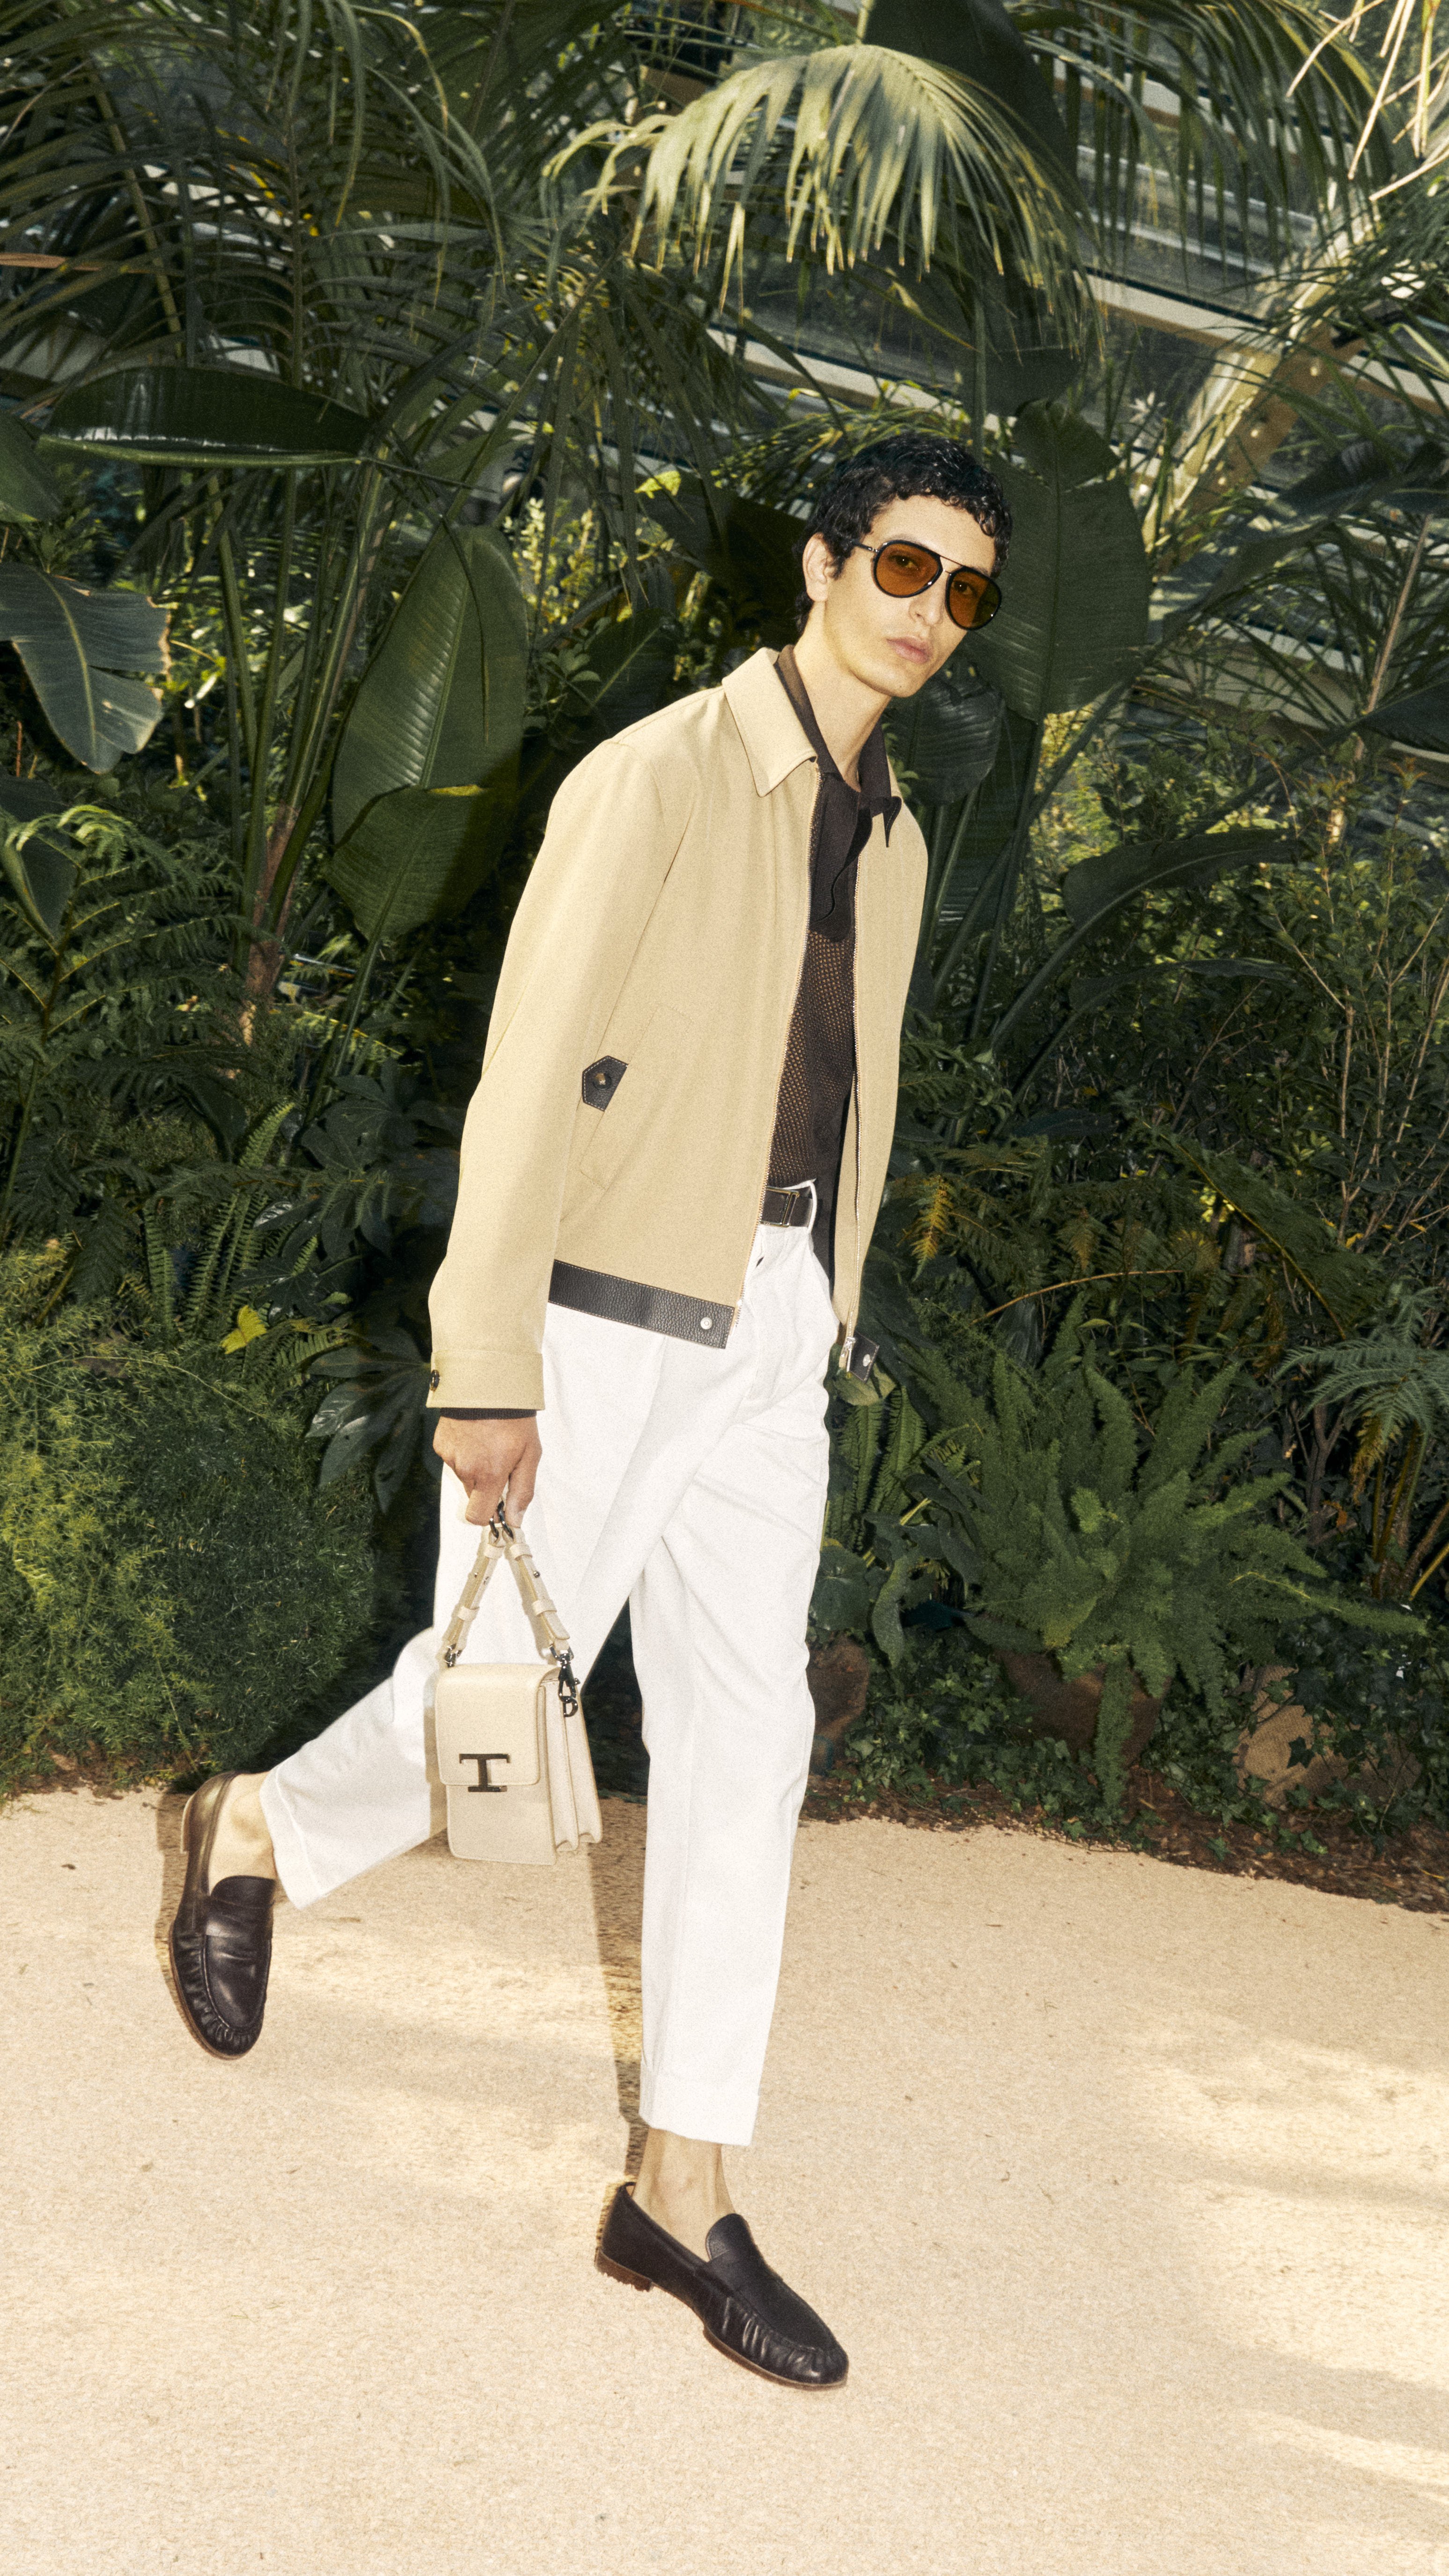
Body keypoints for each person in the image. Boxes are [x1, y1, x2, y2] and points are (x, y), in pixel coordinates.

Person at [166, 430, 1010, 2389]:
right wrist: (487, 1356)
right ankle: (255, 1825)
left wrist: (825, 1308)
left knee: (750, 1736)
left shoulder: (893, 840)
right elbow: (531, 1068)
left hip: (778, 1318)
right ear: (822, 564)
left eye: (964, 591)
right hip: (609, 1304)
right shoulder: (661, 774)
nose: (928, 614)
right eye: (903, 567)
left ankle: (683, 2185)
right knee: (504, 1694)